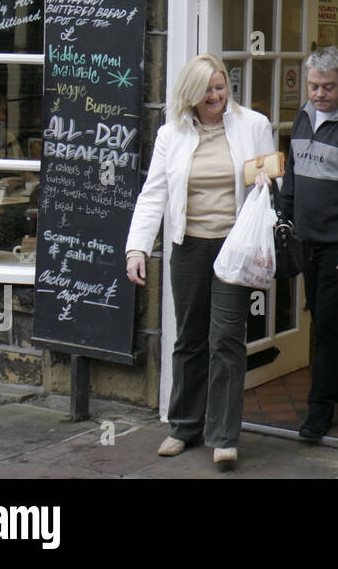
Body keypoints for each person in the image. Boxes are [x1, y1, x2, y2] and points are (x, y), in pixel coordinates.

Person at [124, 53, 274, 467]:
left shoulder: (253, 126)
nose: (215, 96)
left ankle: (224, 436)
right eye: (207, 89)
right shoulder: (171, 135)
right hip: (188, 246)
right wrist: (137, 248)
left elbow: (270, 183)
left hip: (234, 247)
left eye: (221, 87)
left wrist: (266, 183)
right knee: (189, 337)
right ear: (191, 93)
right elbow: (153, 193)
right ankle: (183, 426)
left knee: (226, 338)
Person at [281, 46, 338, 441]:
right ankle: (330, 393)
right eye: (313, 86)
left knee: (327, 325)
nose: (319, 94)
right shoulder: (303, 117)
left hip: (335, 244)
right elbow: (292, 175)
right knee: (319, 320)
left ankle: (319, 410)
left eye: (327, 87)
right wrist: (283, 218)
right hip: (304, 239)